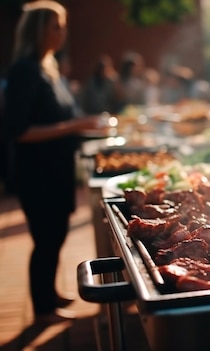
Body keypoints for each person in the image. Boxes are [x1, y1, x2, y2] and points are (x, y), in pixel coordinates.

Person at [1, 1, 102, 324]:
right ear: (39, 29)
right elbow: (18, 131)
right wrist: (75, 126)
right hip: (38, 175)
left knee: (56, 236)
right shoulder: (25, 71)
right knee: (45, 240)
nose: (63, 33)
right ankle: (43, 309)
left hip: (56, 172)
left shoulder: (49, 68)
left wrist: (81, 125)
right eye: (56, 26)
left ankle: (50, 293)